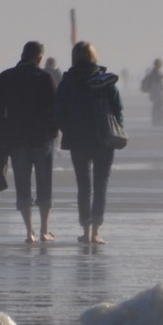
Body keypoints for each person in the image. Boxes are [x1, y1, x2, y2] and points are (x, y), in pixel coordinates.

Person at [0, 41, 58, 241]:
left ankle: (29, 231)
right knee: (45, 182)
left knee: (22, 182)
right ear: (39, 58)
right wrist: (54, 131)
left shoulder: (6, 77)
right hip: (42, 138)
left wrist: (3, 132)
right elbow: (56, 108)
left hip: (16, 138)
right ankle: (45, 230)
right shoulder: (45, 77)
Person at [56, 41, 122, 243]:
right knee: (101, 184)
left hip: (78, 140)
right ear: (94, 56)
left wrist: (66, 129)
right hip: (104, 139)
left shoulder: (68, 81)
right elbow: (117, 108)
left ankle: (85, 232)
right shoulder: (104, 79)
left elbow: (58, 110)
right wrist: (116, 129)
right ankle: (96, 232)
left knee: (83, 185)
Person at [140, 59, 163, 127]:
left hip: (155, 93)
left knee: (157, 107)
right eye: (161, 63)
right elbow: (158, 80)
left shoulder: (154, 71)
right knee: (158, 107)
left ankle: (157, 121)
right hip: (156, 93)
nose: (161, 65)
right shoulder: (155, 71)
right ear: (158, 64)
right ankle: (157, 121)